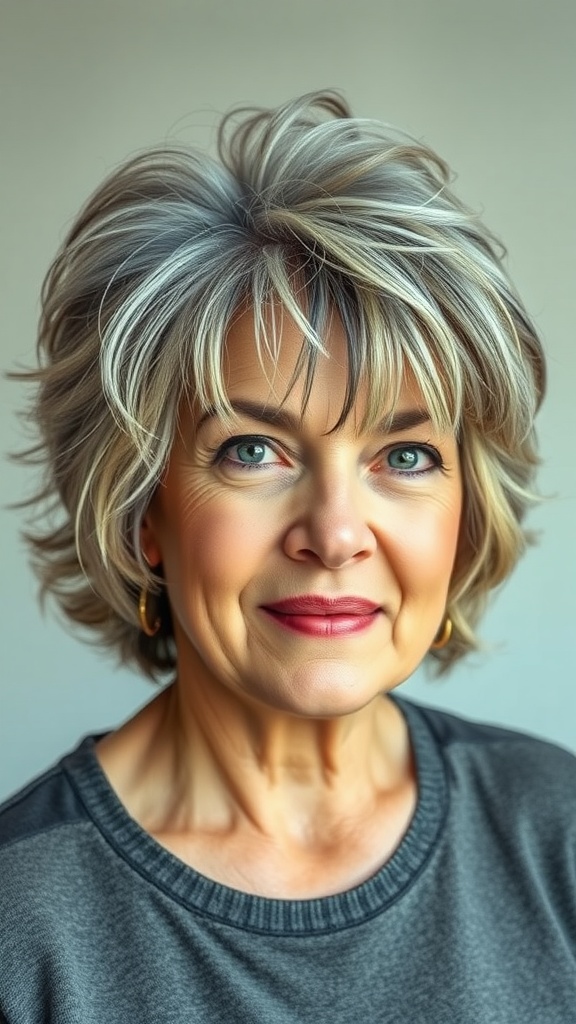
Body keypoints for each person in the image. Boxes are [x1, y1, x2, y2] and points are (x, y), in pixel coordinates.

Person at [1, 91, 574, 1024]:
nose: (336, 534)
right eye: (252, 451)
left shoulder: (558, 832)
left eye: (406, 457)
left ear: (467, 513)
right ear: (141, 509)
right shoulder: (21, 925)